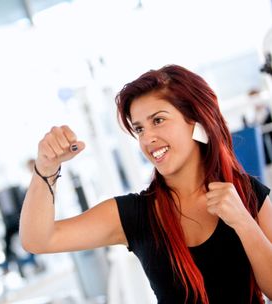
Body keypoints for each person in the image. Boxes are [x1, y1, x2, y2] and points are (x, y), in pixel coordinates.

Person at [19, 65, 272, 303]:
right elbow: (38, 240)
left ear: (195, 121)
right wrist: (46, 167)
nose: (147, 137)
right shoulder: (137, 214)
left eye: (158, 120)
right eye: (139, 129)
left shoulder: (244, 193)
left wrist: (243, 222)